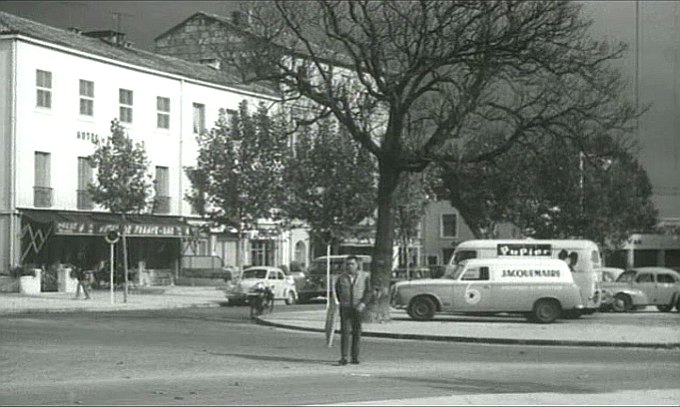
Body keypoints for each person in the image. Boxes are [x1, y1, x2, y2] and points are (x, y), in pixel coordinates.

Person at [333, 255, 372, 366]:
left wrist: (363, 303)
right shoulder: (341, 278)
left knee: (357, 332)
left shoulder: (364, 277)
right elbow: (337, 291)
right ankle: (344, 357)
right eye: (348, 264)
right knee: (345, 332)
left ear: (357, 265)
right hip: (345, 308)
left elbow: (369, 291)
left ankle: (355, 356)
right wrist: (341, 302)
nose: (350, 266)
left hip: (358, 307)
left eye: (352, 264)